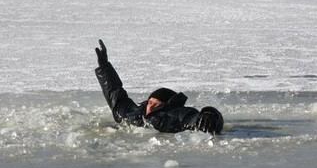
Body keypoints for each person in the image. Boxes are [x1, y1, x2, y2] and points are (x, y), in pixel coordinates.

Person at [95, 40, 224, 134]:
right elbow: (116, 96)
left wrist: (210, 114)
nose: (150, 107)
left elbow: (195, 118)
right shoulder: (135, 113)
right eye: (150, 102)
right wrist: (105, 67)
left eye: (156, 104)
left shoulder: (177, 113)